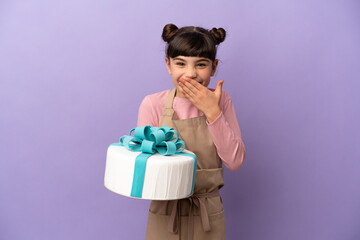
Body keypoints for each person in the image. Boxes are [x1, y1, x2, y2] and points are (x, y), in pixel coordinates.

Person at [137, 23, 246, 240]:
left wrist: (212, 113)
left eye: (200, 65)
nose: (190, 74)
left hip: (208, 211)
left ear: (213, 68)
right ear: (168, 65)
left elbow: (235, 161)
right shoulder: (153, 104)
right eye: (180, 63)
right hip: (166, 212)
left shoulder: (222, 101)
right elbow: (145, 171)